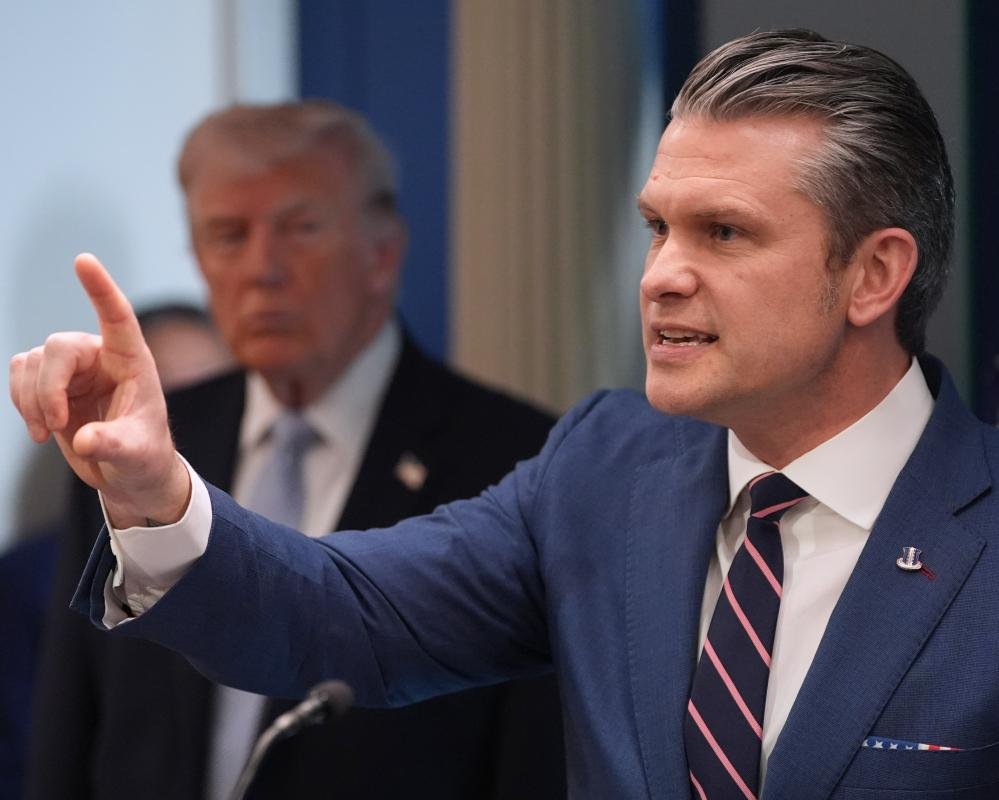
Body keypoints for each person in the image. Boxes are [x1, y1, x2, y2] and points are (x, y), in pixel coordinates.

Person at [11, 29, 996, 798]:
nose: (661, 275)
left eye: (724, 233)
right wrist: (157, 491)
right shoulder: (606, 472)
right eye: (657, 227)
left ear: (874, 274)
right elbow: (343, 612)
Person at [22, 103, 565, 800]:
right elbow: (70, 733)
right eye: (229, 234)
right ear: (198, 261)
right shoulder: (133, 448)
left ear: (382, 253)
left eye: (301, 228)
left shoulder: (515, 459)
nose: (263, 269)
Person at [1, 302, 230, 800]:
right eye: (163, 397)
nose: (179, 426)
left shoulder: (266, 559)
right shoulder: (32, 578)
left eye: (211, 395)